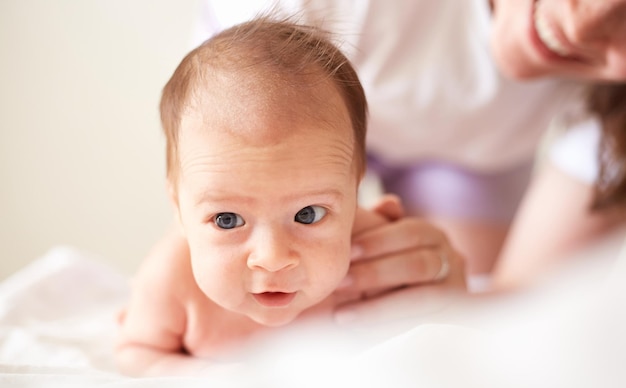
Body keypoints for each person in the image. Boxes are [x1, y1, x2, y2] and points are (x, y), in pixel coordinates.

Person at [130, 0, 626, 329]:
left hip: (475, 165)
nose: (583, 24)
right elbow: (215, 155)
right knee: (224, 290)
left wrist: (452, 296)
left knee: (422, 307)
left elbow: (515, 311)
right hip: (286, 127)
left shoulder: (612, 121)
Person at [116, 16, 460, 377]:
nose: (273, 258)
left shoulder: (368, 253)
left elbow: (434, 321)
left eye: (308, 214)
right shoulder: (171, 282)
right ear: (179, 208)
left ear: (354, 196)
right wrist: (210, 384)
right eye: (227, 220)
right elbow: (136, 351)